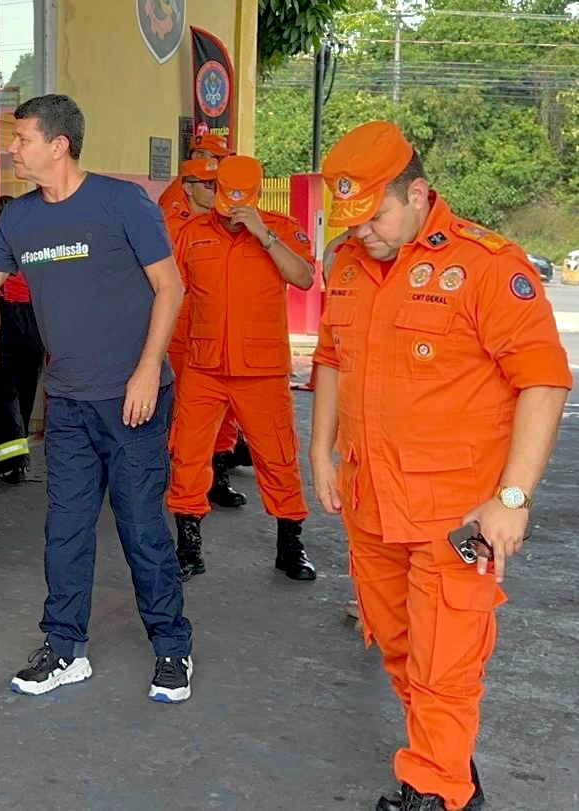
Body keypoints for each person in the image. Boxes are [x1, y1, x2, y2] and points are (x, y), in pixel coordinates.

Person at [0, 94, 194, 703]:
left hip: (133, 398)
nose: (13, 149)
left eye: (23, 138)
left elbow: (170, 287)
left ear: (59, 145)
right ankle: (64, 648)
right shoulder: (19, 221)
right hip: (70, 404)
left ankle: (172, 647)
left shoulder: (122, 202)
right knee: (65, 530)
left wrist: (145, 372)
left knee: (142, 530)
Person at [312, 121, 571, 811]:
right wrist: (319, 448)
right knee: (400, 650)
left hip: (455, 515)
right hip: (370, 501)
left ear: (418, 193)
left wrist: (511, 497)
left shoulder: (486, 265)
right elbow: (331, 356)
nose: (362, 233)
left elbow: (543, 381)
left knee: (445, 665)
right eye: (352, 221)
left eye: (375, 217)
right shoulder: (346, 262)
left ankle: (432, 791)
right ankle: (450, 767)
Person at [167, 156, 317, 582]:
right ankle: (188, 545)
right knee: (188, 454)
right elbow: (170, 292)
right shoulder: (192, 234)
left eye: (242, 201)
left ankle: (290, 545)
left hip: (262, 370)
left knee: (278, 458)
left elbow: (304, 278)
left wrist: (263, 235)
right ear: (213, 192)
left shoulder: (282, 229)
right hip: (204, 365)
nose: (233, 209)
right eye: (225, 197)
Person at [164, 157, 247, 512]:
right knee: (188, 414)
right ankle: (183, 485)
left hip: (218, 327)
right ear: (188, 187)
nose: (214, 191)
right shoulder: (169, 223)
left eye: (217, 184)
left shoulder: (229, 221)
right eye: (207, 184)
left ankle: (219, 472)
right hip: (181, 330)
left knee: (226, 408)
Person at [0, 194, 45, 484]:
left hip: (2, 322)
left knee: (0, 394)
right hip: (35, 325)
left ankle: (10, 461)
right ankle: (19, 456)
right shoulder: (35, 253)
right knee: (25, 390)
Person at [158, 133, 233, 217]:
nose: (222, 162)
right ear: (198, 156)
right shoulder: (175, 198)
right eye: (218, 157)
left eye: (225, 158)